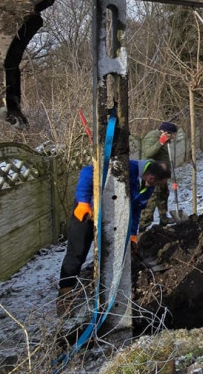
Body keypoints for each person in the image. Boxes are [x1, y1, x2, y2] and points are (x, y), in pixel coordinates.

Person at [57, 159, 171, 315]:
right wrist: (83, 202)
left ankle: (112, 292)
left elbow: (136, 210)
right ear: (151, 178)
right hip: (88, 212)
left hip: (112, 218)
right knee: (77, 252)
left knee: (113, 253)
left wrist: (131, 234)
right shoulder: (123, 166)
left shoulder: (147, 187)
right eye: (158, 184)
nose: (157, 187)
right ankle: (65, 294)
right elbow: (86, 173)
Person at [139, 121, 177, 229]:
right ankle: (143, 226)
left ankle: (163, 218)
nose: (173, 137)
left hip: (161, 175)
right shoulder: (152, 136)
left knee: (163, 196)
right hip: (152, 176)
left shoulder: (166, 139)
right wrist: (160, 143)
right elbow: (147, 153)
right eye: (172, 134)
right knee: (151, 200)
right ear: (166, 132)